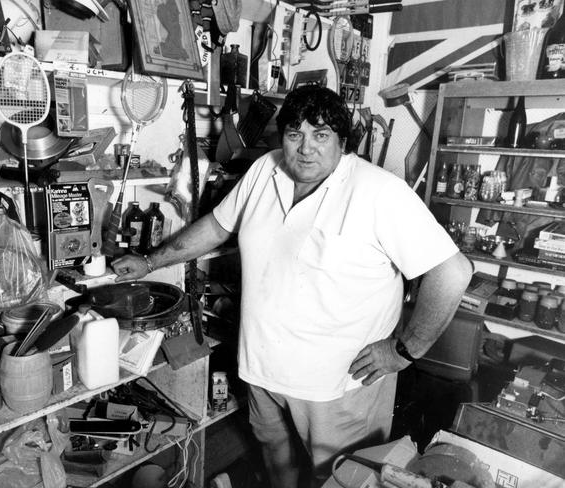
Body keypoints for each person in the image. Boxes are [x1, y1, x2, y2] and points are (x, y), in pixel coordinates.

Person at [112, 85, 472, 487]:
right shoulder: (265, 169)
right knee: (278, 470)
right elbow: (216, 226)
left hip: (338, 387)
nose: (306, 149)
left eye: (321, 135)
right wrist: (149, 261)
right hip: (263, 372)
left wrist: (405, 350)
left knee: (341, 480)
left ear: (342, 141)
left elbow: (452, 272)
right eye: (295, 134)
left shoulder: (378, 191)